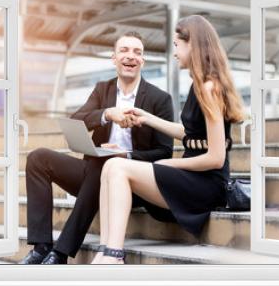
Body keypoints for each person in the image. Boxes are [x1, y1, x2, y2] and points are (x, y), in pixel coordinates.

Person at [91, 15, 244, 264]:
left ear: (191, 44)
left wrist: (169, 164)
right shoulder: (199, 85)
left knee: (117, 166)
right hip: (193, 178)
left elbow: (216, 159)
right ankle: (105, 251)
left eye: (176, 45)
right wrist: (148, 118)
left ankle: (114, 254)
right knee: (110, 165)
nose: (174, 52)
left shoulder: (210, 87)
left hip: (206, 185)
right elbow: (191, 134)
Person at [19, 31, 174, 264]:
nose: (130, 56)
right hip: (93, 176)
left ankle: (61, 252)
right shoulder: (103, 89)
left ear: (142, 61)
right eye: (124, 50)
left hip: (131, 183)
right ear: (114, 58)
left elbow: (164, 153)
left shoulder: (160, 99)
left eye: (137, 52)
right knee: (38, 158)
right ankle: (41, 247)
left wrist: (124, 156)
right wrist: (106, 114)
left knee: (106, 161)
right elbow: (77, 118)